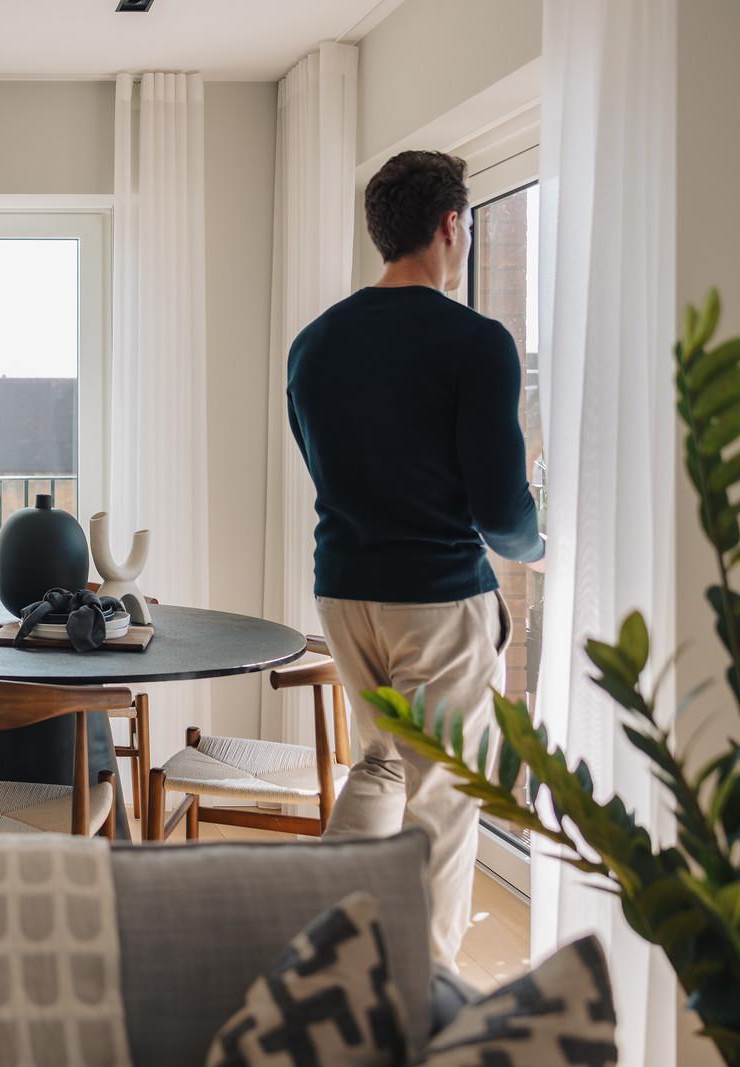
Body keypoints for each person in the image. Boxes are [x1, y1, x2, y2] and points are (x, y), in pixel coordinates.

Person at [286, 150, 544, 967]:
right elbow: (502, 512)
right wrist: (542, 547)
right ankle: (424, 1002)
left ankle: (322, 951)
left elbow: (325, 463)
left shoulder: (313, 345)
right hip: (434, 600)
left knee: (380, 766)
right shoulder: (476, 341)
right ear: (451, 226)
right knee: (444, 802)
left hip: (344, 590)